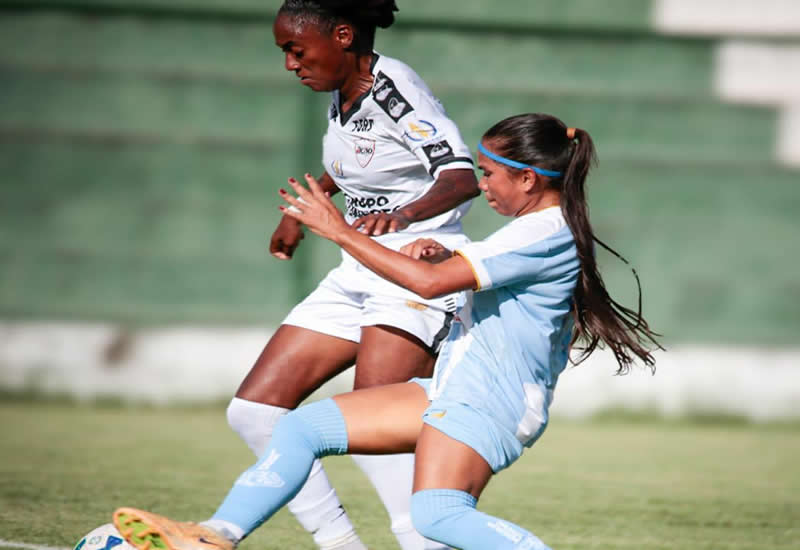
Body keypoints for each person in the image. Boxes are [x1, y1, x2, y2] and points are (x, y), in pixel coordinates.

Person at [112, 113, 662, 549]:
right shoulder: (534, 226)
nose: (482, 185)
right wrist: (451, 251)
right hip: (453, 389)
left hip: (487, 403)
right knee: (302, 430)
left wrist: (338, 231)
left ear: (527, 178)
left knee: (437, 516)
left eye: (490, 173)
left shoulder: (543, 231)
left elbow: (427, 285)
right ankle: (216, 537)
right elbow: (479, 271)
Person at [227, 1, 479, 549]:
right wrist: (304, 209)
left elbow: (461, 176)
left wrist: (403, 215)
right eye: (285, 52)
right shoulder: (342, 90)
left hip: (415, 267)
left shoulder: (394, 89)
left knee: (372, 427)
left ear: (342, 36)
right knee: (254, 410)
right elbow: (363, 163)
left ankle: (425, 542)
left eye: (297, 49)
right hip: (359, 267)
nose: (290, 63)